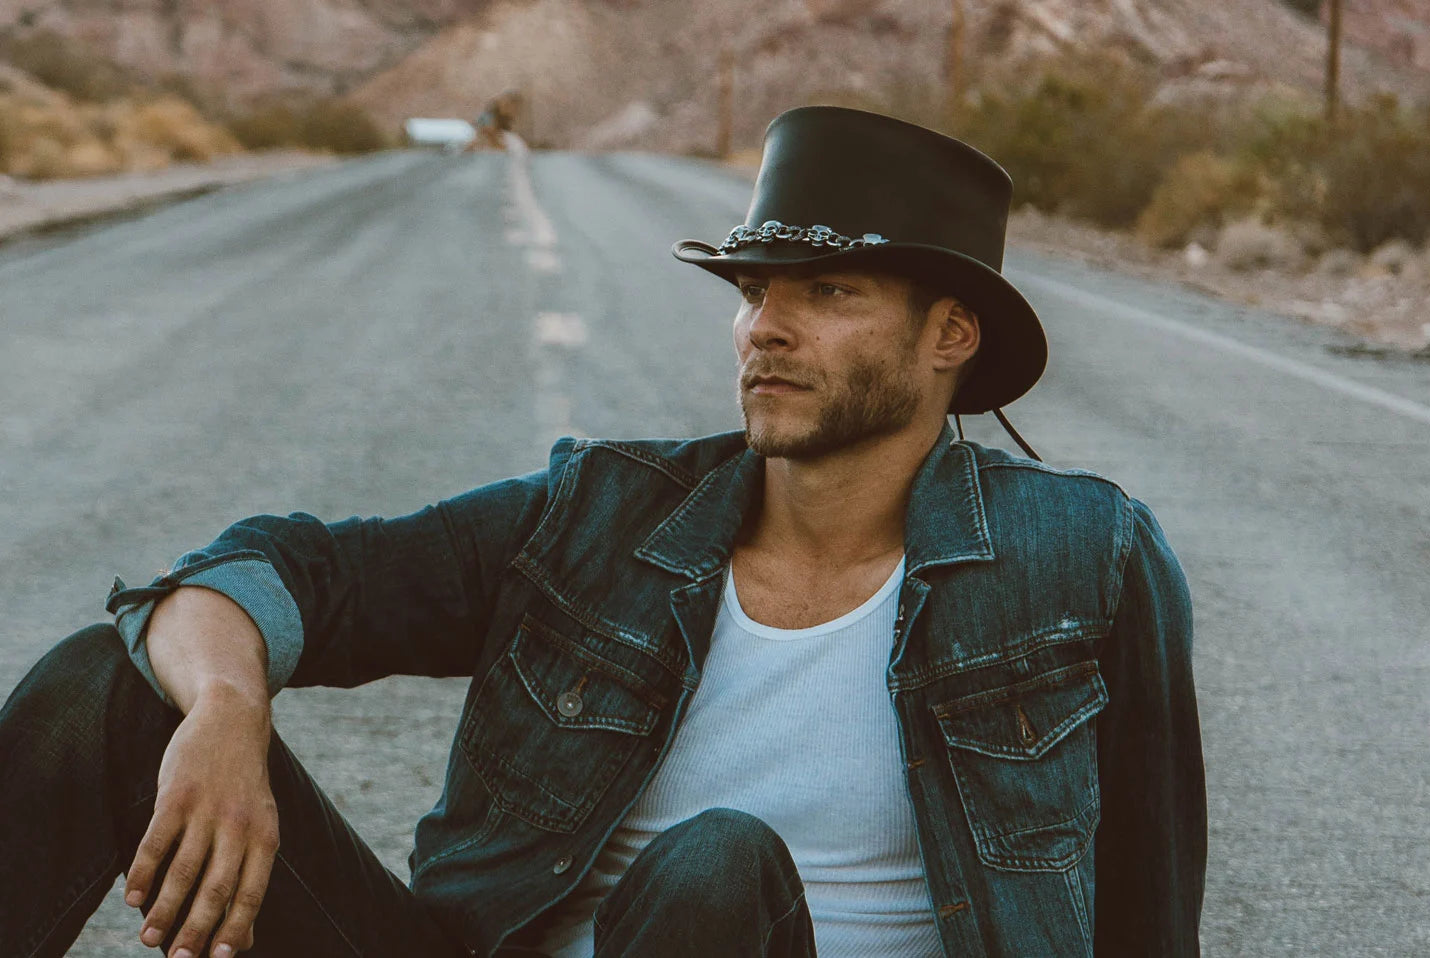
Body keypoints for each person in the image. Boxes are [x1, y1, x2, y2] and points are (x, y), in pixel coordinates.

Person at [0, 106, 1206, 957]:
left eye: (826, 293)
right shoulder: (602, 515)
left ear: (952, 335)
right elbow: (275, 571)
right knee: (99, 688)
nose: (765, 329)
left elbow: (1150, 905)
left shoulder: (1082, 560)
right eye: (753, 292)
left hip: (719, 922)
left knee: (712, 869)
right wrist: (225, 710)